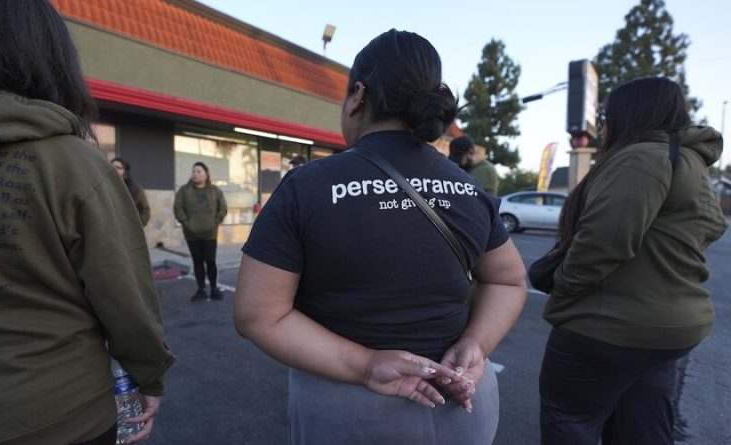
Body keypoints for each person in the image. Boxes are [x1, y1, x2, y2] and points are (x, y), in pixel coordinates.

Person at [234, 29, 527, 445]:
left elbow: (258, 314)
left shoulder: (308, 186)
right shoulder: (466, 186)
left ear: (357, 95)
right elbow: (508, 279)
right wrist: (476, 344)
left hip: (349, 411)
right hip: (464, 402)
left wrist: (367, 364)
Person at [0, 1, 175, 445]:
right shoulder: (69, 163)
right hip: (61, 413)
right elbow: (125, 299)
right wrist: (149, 376)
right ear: (41, 52)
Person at [539, 77, 727, 445]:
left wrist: (562, 291)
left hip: (607, 328)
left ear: (630, 114)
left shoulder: (641, 158)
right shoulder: (689, 163)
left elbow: (603, 243)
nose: (603, 126)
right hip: (670, 329)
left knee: (570, 419)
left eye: (607, 115)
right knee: (642, 425)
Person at [174, 162, 228, 302]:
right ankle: (201, 290)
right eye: (193, 171)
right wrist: (186, 223)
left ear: (206, 173)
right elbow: (178, 208)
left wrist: (215, 222)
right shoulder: (184, 191)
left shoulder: (215, 191)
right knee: (197, 262)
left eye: (198, 171)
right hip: (192, 235)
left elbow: (223, 208)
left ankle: (214, 288)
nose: (195, 174)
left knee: (210, 261)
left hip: (210, 234)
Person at [111, 157, 151, 226]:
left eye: (118, 167)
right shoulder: (101, 186)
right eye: (111, 166)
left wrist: (136, 227)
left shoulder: (136, 190)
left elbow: (145, 211)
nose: (114, 169)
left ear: (125, 173)